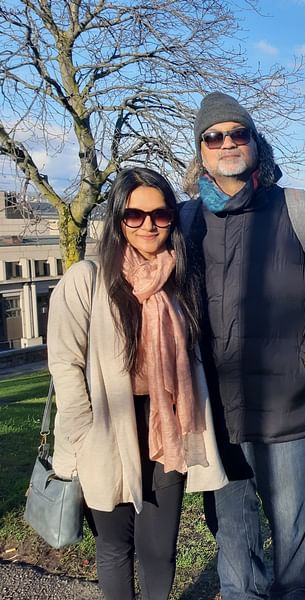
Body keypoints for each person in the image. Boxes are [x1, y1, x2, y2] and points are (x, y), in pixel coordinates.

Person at [181, 92, 305, 599]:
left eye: (238, 133)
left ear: (254, 142)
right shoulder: (188, 221)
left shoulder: (298, 210)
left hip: (285, 409)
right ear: (202, 151)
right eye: (214, 137)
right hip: (214, 413)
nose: (228, 143)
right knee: (233, 546)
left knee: (293, 546)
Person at [48, 167, 228, 600]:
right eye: (135, 214)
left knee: (160, 549)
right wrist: (84, 431)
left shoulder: (180, 281)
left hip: (168, 427)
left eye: (161, 214)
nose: (149, 224)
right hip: (107, 428)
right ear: (118, 220)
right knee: (114, 547)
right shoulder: (87, 280)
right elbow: (65, 363)